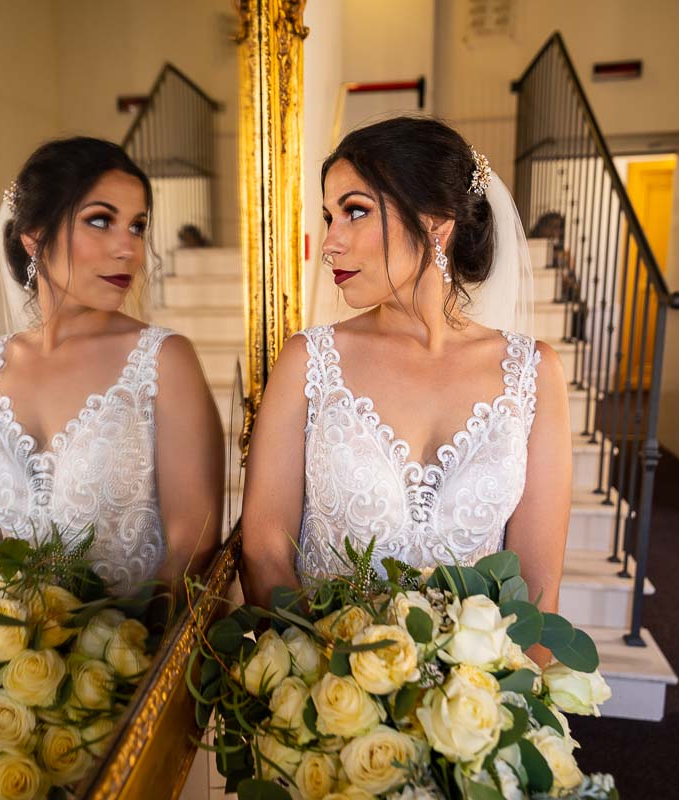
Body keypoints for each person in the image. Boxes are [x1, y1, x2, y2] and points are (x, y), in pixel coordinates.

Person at [240, 117, 571, 643]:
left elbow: (537, 585)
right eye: (329, 217)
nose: (330, 243)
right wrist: (329, 682)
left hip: (473, 712)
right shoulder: (309, 363)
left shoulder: (533, 375)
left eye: (355, 212)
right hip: (324, 697)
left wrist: (499, 708)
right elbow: (263, 553)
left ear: (436, 224)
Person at [0, 137, 224, 596]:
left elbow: (192, 545)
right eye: (101, 221)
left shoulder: (162, 360)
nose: (129, 250)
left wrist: (117, 648)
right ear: (34, 236)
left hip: (137, 650)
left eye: (137, 227)